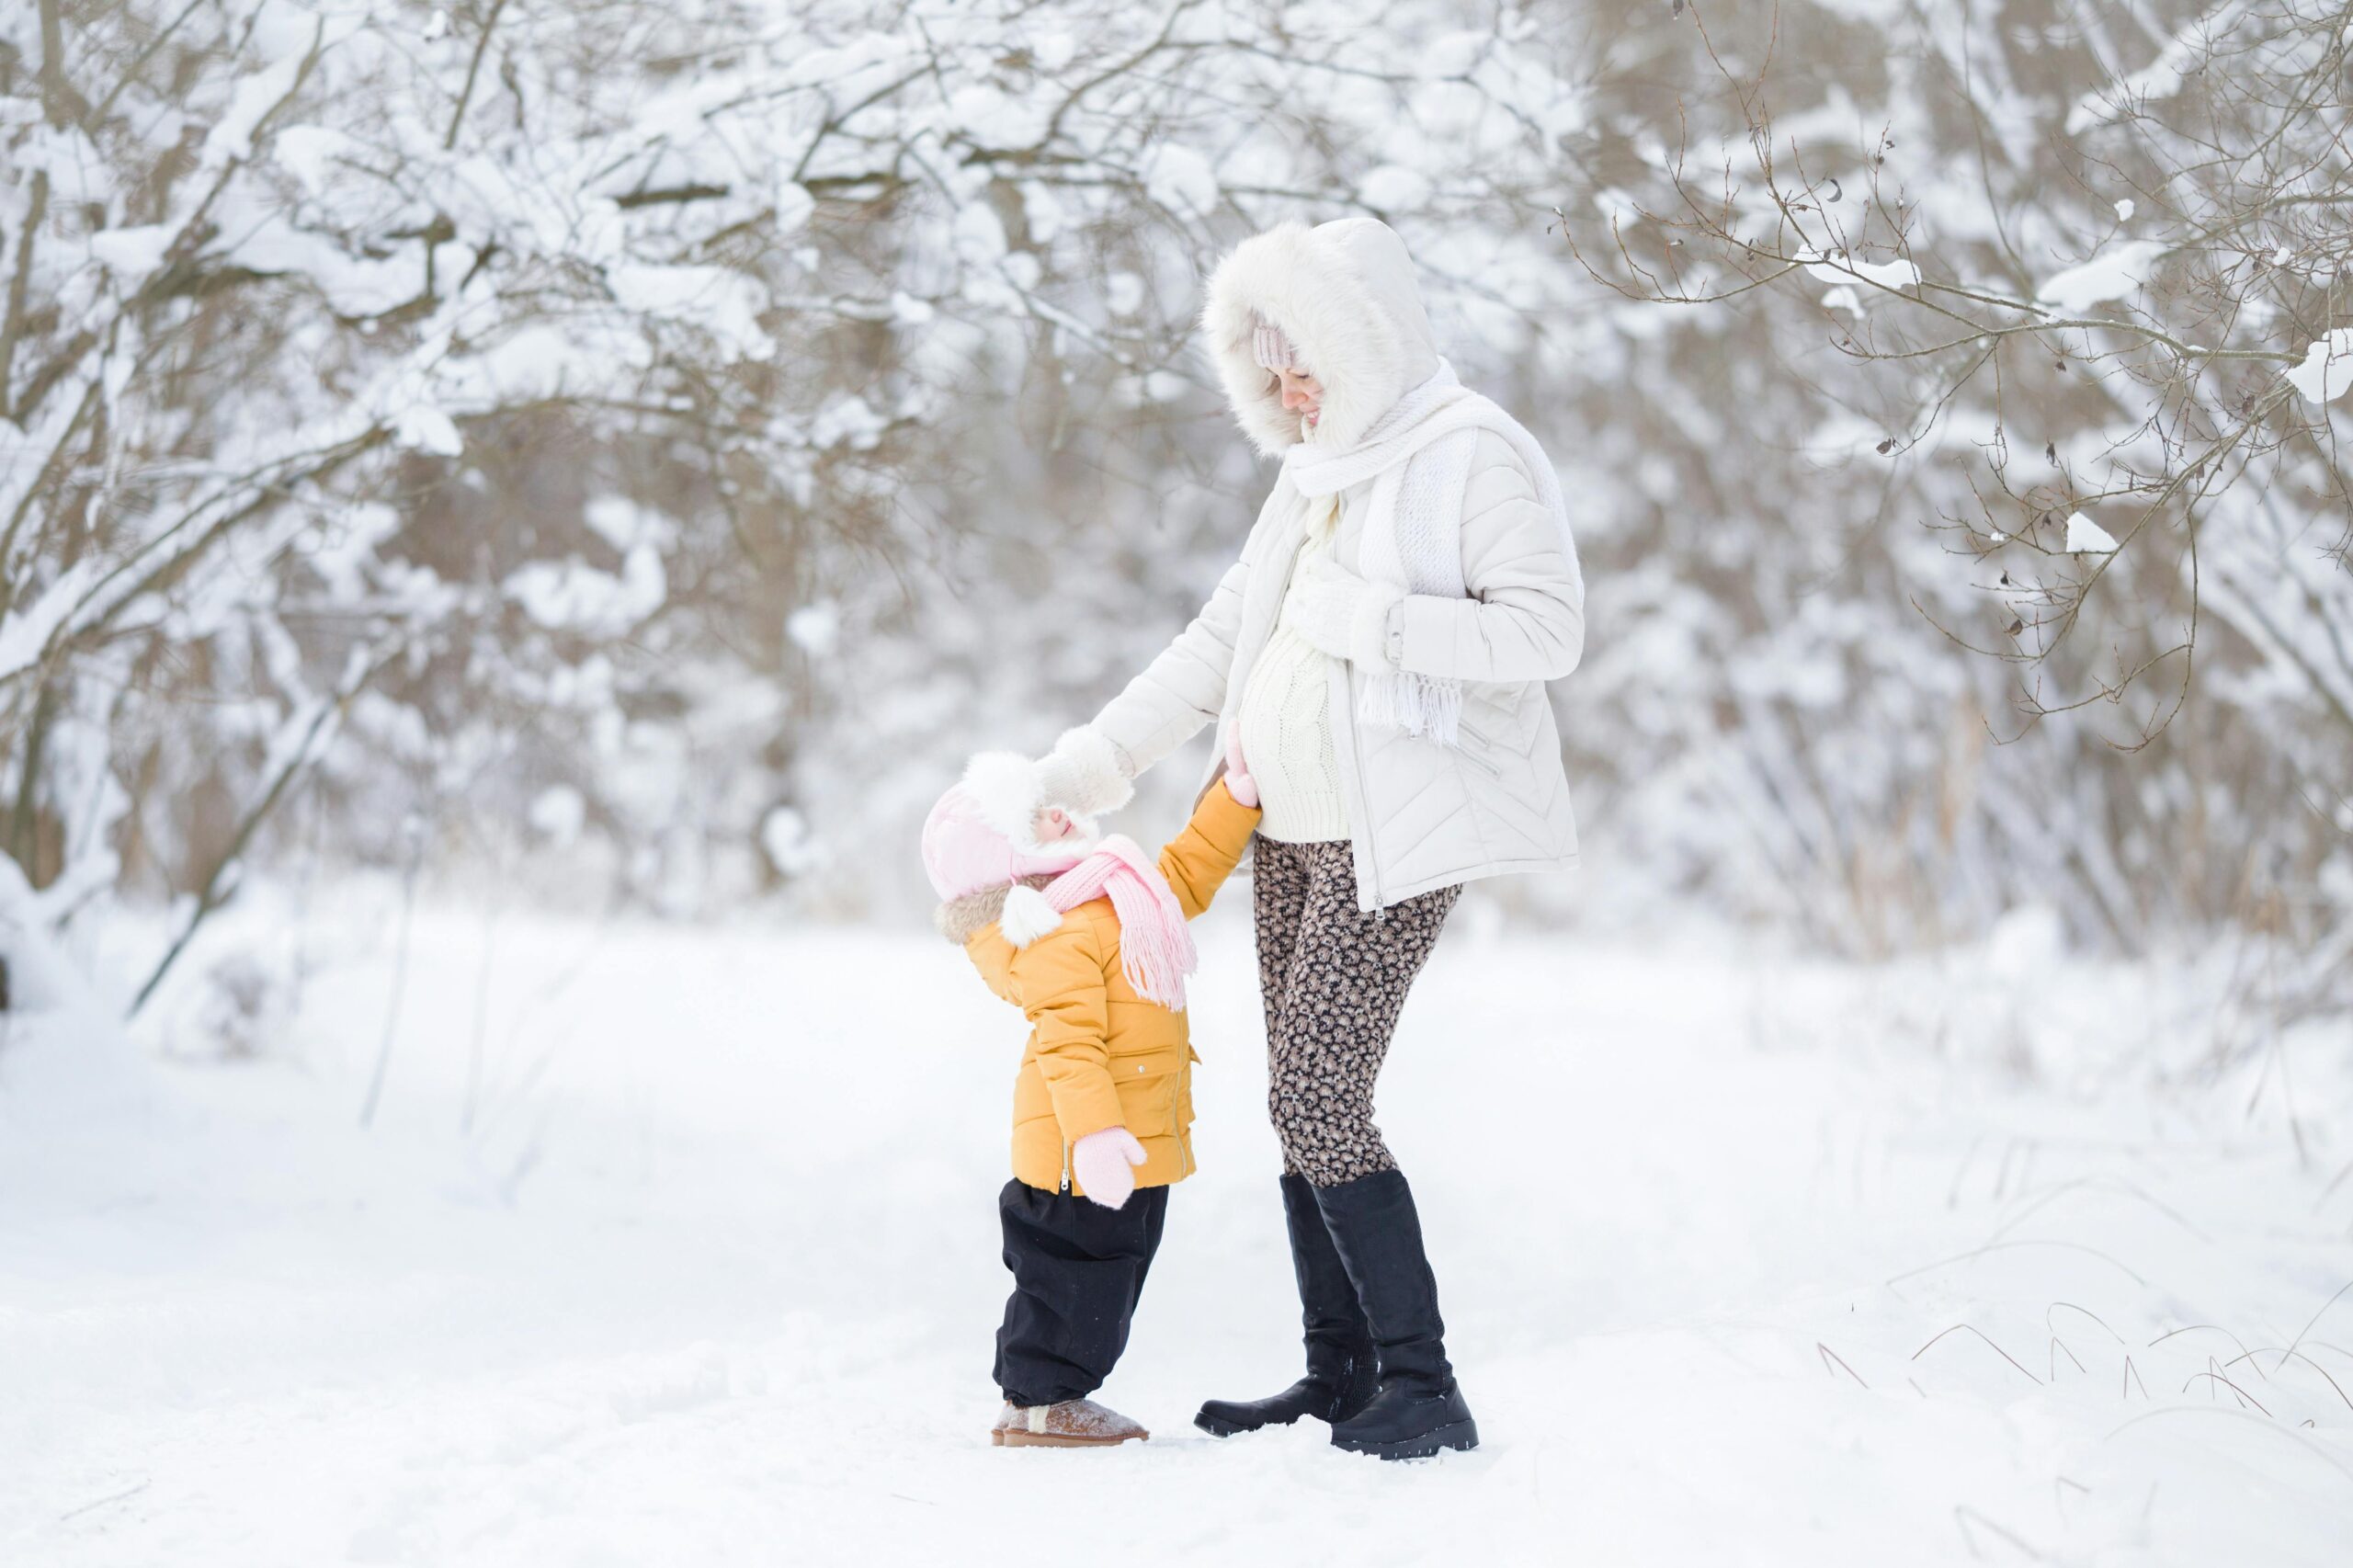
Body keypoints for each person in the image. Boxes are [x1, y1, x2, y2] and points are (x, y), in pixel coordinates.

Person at [1018, 217, 1587, 1460]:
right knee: (1298, 1105)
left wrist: (1375, 621)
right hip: (1289, 837)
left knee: (1321, 1094)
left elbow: (1547, 635)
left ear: (1367, 339)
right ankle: (1339, 1374)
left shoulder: (1470, 453)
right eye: (1266, 370)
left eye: (1307, 359)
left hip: (1397, 837)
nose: (1290, 391)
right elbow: (1218, 641)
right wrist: (1093, 762)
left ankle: (1424, 1383)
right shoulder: (1310, 475)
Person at [922, 731, 1262, 1447]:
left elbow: (1186, 875)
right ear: (1012, 857)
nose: (1061, 815)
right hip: (1085, 1154)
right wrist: (1095, 1138)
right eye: (1038, 818)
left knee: (1105, 1279)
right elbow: (1068, 1044)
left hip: (1124, 1137)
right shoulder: (1055, 931)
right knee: (1078, 1282)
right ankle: (1044, 1403)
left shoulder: (1106, 897)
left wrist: (1232, 802)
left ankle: (1037, 1402)